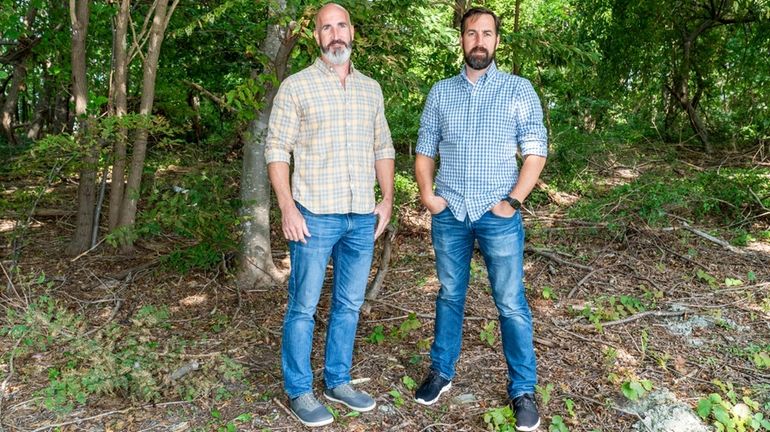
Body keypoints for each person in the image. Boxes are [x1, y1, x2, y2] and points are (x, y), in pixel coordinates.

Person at [413, 7, 547, 432]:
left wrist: (513, 201)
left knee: (510, 303)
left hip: (497, 212)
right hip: (450, 211)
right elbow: (424, 150)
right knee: (450, 294)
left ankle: (523, 389)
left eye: (486, 33)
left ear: (497, 41)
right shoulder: (440, 92)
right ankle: (441, 372)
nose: (479, 41)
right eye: (471, 33)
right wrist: (428, 197)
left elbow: (536, 151)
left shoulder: (518, 89)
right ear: (462, 39)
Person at [264, 3, 395, 428]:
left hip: (361, 217)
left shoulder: (370, 89)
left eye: (341, 26)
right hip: (313, 215)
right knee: (303, 306)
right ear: (317, 37)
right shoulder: (296, 87)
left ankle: (338, 380)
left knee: (349, 305)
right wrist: (286, 207)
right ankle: (299, 390)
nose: (335, 34)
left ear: (352, 32)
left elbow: (383, 148)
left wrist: (387, 199)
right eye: (326, 28)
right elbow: (276, 150)